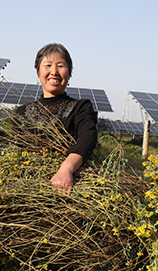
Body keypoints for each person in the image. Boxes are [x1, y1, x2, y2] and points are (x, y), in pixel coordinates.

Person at [14, 43, 98, 191]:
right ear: (38, 72)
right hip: (29, 188)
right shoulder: (21, 113)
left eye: (60, 66)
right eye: (48, 65)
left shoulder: (81, 108)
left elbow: (87, 139)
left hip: (67, 188)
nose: (54, 72)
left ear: (69, 73)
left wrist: (66, 170)